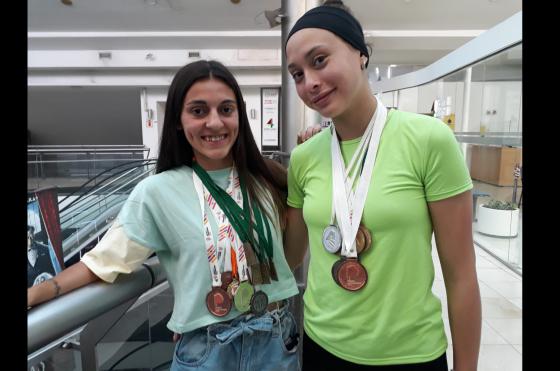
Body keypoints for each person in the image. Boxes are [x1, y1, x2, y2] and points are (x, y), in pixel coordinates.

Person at [28, 60, 301, 371]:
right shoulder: (156, 192)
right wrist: (43, 290)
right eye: (198, 111)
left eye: (226, 109)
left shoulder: (266, 178)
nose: (215, 122)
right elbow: (104, 261)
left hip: (275, 340)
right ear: (177, 121)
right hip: (207, 349)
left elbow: (287, 257)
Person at [284, 1, 481, 370]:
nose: (309, 81)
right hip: (321, 346)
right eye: (297, 74)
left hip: (410, 354)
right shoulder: (305, 157)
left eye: (320, 60)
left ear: (360, 53)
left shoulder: (428, 139)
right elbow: (290, 255)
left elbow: (461, 276)